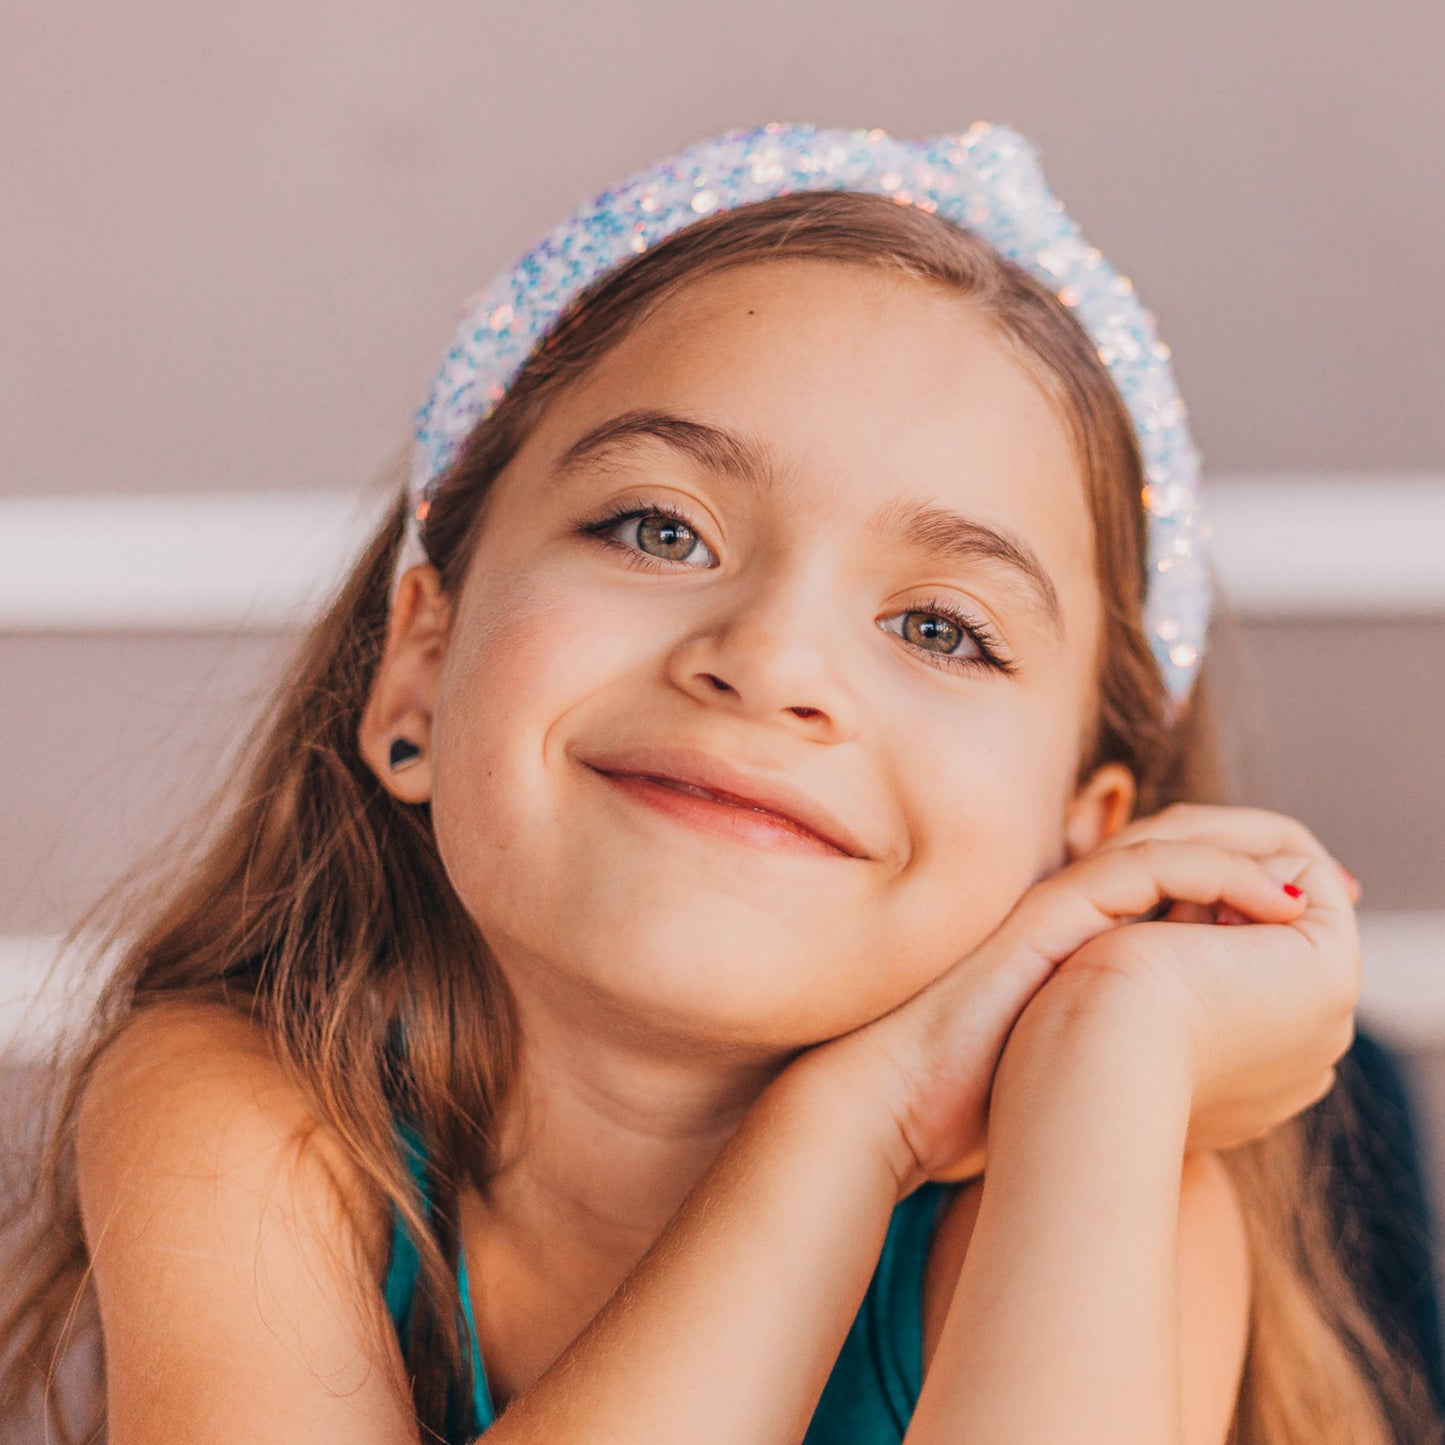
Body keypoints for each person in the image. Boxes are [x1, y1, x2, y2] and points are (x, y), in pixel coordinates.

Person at [0, 121, 1438, 1444]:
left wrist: (1117, 1026)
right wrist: (853, 1120)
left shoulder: (1095, 1176)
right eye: (657, 529)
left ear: (1076, 838)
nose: (767, 661)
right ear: (417, 669)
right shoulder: (242, 1104)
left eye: (940, 627)